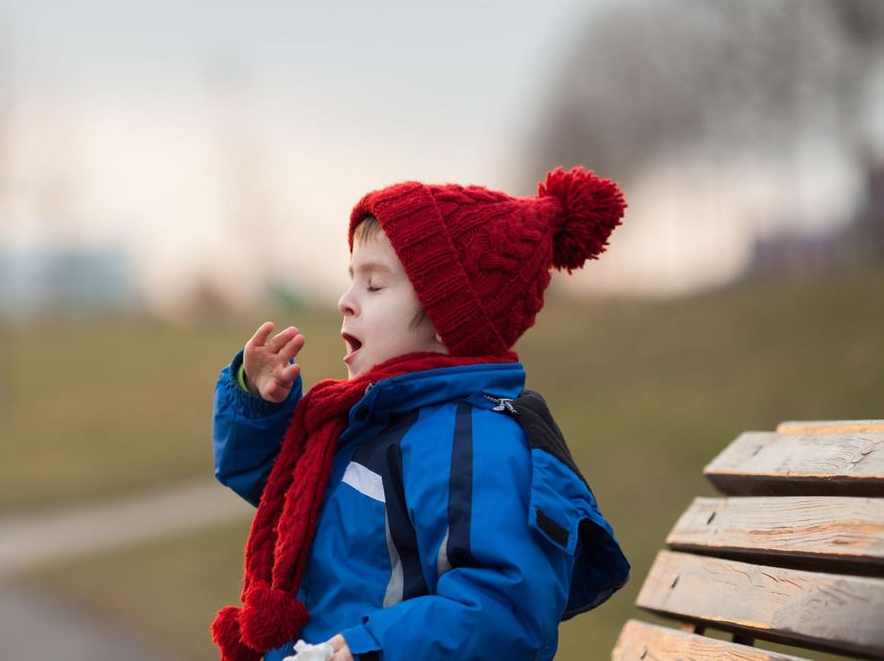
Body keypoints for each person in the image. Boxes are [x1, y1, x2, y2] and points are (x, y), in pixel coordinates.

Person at [211, 168, 632, 661]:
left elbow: (502, 611)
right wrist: (260, 405)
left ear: (446, 321)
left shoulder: (476, 443)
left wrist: (365, 648)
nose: (345, 303)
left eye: (373, 285)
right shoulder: (366, 421)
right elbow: (276, 492)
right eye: (351, 281)